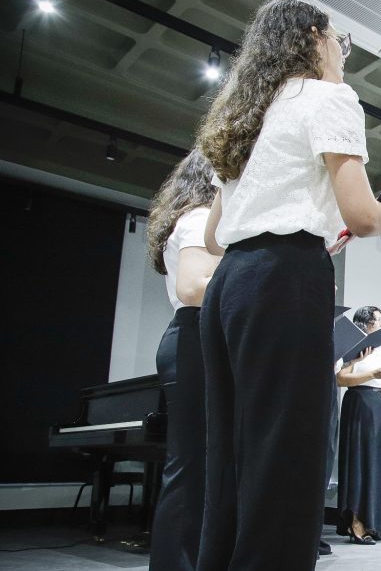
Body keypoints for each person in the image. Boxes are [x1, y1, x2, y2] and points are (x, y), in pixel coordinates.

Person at [196, 0, 381, 567]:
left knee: (231, 453)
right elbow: (366, 215)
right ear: (315, 37)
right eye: (341, 41)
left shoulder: (242, 118)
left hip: (232, 284)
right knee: (288, 452)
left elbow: (218, 237)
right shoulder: (327, 98)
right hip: (284, 280)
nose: (344, 55)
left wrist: (315, 234)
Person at [146, 151, 219, 571]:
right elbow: (194, 289)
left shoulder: (205, 220)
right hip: (194, 338)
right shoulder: (198, 219)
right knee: (191, 470)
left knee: (202, 471)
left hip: (201, 339)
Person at [335, 306, 381, 545]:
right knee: (361, 461)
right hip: (360, 401)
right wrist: (370, 374)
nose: (380, 324)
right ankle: (356, 523)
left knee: (377, 464)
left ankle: (374, 521)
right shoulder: (353, 346)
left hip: (380, 404)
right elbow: (340, 378)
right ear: (364, 324)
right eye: (375, 321)